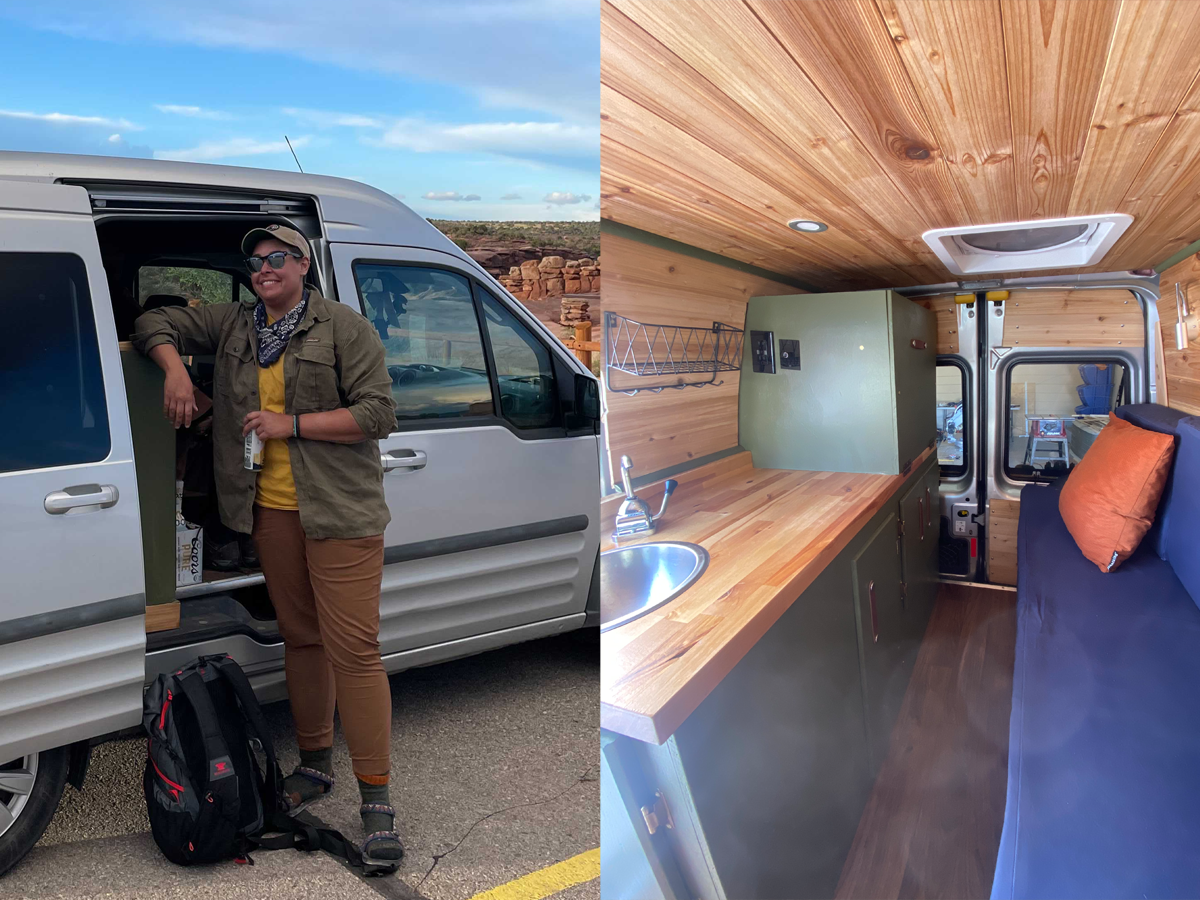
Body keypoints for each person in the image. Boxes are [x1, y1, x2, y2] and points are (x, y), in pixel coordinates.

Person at [131, 224, 403, 865]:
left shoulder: (343, 328)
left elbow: (378, 414)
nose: (264, 268)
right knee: (301, 638)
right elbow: (153, 323)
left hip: (340, 513)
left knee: (355, 651)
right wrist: (174, 372)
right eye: (255, 261)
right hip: (270, 512)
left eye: (278, 257)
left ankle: (377, 801)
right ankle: (313, 766)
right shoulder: (235, 324)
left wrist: (293, 425)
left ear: (304, 265)